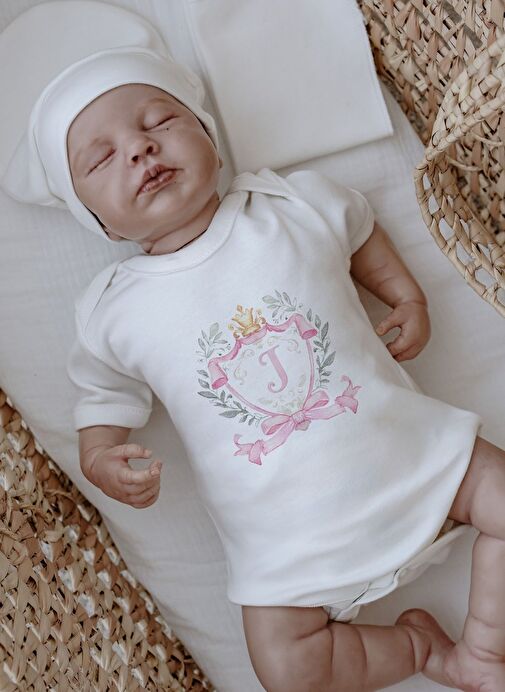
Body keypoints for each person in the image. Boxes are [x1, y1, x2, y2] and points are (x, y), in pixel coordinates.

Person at [7, 46, 505, 692]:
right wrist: (102, 458)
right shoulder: (112, 313)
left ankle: (484, 651)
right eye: (101, 159)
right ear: (96, 221)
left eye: (159, 121)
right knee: (287, 671)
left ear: (210, 138)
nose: (139, 149)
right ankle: (419, 649)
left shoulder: (289, 204)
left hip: (416, 456)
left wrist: (406, 297)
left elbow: (358, 231)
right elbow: (102, 402)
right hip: (287, 546)